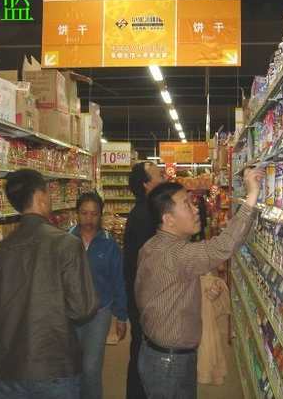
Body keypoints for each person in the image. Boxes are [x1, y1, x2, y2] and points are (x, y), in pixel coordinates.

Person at [135, 167, 265, 399]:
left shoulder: (152, 246)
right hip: (170, 363)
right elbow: (223, 246)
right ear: (168, 219)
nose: (196, 209)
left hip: (155, 353)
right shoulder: (177, 253)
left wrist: (200, 285)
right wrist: (252, 194)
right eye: (187, 204)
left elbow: (166, 285)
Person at [0, 169, 98, 399]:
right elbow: (82, 308)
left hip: (11, 367)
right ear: (40, 197)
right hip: (55, 364)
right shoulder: (66, 244)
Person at [70, 192, 128, 399]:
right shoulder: (65, 241)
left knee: (91, 367)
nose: (89, 218)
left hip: (100, 311)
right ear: (77, 214)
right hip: (71, 312)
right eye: (84, 213)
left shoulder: (109, 244)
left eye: (94, 214)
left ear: (100, 215)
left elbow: (118, 280)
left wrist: (121, 316)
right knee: (73, 366)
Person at [123, 161, 164, 399]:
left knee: (141, 347)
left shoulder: (146, 211)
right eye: (158, 174)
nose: (162, 176)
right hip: (144, 298)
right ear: (147, 184)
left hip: (142, 296)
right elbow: (145, 264)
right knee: (142, 349)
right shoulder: (144, 215)